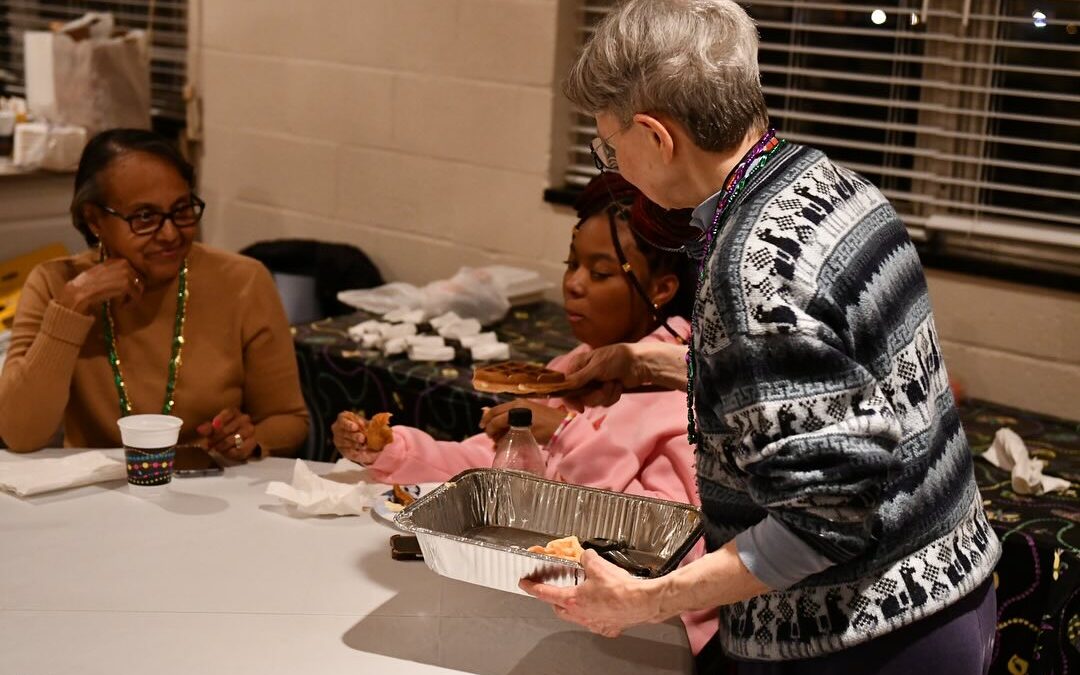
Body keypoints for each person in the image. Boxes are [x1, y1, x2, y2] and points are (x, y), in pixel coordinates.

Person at [520, 2, 1001, 674]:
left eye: (610, 144)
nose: (612, 163)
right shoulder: (821, 178)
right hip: (950, 584)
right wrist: (648, 362)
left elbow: (825, 519)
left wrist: (647, 598)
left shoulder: (754, 271)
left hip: (868, 636)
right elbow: (824, 382)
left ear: (658, 137)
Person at [332, 172, 718, 654]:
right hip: (554, 616)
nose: (573, 285)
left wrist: (565, 431)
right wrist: (395, 450)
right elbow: (490, 477)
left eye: (599, 273)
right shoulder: (569, 370)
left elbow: (666, 539)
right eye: (570, 265)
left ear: (660, 287)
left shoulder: (686, 390)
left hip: (646, 633)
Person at [0, 129, 308, 458]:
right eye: (145, 217)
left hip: (211, 491)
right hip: (96, 495)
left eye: (181, 209)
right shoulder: (55, 284)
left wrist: (250, 437)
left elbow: (288, 419)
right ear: (94, 220)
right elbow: (20, 434)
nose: (170, 233)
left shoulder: (243, 281)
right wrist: (73, 304)